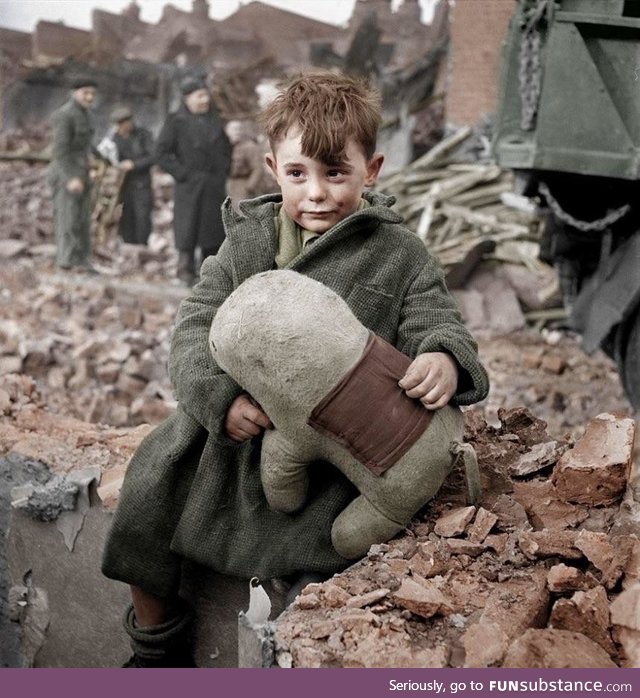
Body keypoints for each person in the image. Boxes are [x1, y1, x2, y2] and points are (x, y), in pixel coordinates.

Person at [102, 72, 490, 668]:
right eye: (298, 174)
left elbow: (436, 318)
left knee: (325, 547)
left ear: (373, 169)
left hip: (327, 448)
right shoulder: (246, 242)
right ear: (271, 167)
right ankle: (156, 645)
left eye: (337, 174)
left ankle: (293, 640)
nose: (317, 194)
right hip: (235, 436)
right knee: (152, 489)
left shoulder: (397, 253)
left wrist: (440, 355)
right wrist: (218, 398)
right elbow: (193, 326)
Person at [155, 76, 232, 285]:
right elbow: (161, 153)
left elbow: (226, 149)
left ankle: (209, 273)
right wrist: (183, 174)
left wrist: (223, 170)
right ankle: (185, 270)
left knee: (212, 230)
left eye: (206, 96)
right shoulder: (176, 121)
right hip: (189, 185)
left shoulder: (215, 120)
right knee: (188, 227)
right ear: (187, 99)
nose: (204, 100)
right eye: (199, 96)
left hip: (213, 184)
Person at [47, 77, 99, 273]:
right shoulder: (64, 115)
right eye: (85, 92)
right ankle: (66, 261)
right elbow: (60, 151)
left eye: (92, 93)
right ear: (74, 92)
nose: (89, 97)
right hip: (65, 173)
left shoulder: (87, 115)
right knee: (67, 218)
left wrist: (95, 163)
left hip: (82, 171)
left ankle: (82, 261)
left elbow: (86, 146)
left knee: (82, 219)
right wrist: (71, 177)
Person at [110, 106, 155, 246]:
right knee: (126, 217)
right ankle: (128, 246)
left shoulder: (143, 135)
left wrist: (134, 165)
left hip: (141, 183)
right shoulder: (115, 138)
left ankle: (142, 246)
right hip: (124, 185)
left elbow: (153, 156)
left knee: (142, 217)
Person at [226, 119, 275, 210]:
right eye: (233, 130)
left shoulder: (249, 147)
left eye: (238, 129)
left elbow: (257, 169)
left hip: (242, 185)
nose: (236, 132)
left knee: (239, 214)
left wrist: (249, 187)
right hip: (228, 184)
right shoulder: (224, 146)